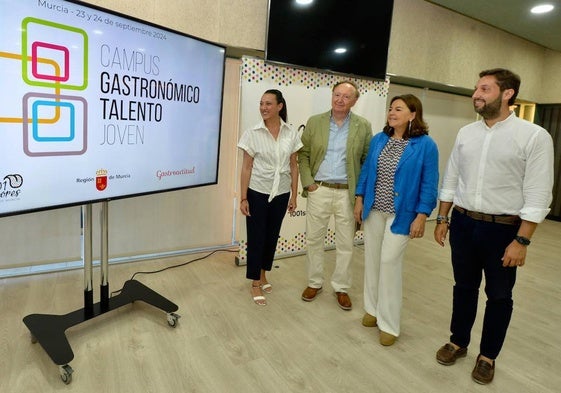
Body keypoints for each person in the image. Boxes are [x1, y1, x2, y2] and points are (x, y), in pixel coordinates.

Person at [433, 68, 554, 384]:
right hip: (462, 222)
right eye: (476, 88)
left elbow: (539, 193)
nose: (477, 94)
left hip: (503, 230)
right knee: (463, 287)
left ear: (508, 93)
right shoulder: (466, 134)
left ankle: (487, 357)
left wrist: (522, 241)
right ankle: (458, 341)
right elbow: (452, 178)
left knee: (499, 296)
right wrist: (443, 218)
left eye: (485, 88)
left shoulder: (534, 136)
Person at [354, 94, 439, 346]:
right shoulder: (379, 139)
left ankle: (389, 324)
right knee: (371, 260)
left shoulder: (425, 145)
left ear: (413, 115)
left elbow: (430, 183)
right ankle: (371, 309)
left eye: (398, 109)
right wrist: (359, 198)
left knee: (389, 263)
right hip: (374, 210)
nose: (392, 112)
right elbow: (368, 172)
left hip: (402, 214)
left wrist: (422, 215)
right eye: (391, 108)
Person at [298, 80, 372, 310]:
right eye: (336, 94)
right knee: (313, 240)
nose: (340, 100)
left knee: (345, 243)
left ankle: (341, 287)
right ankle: (314, 282)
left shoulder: (363, 126)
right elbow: (304, 155)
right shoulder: (315, 122)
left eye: (346, 96)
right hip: (319, 189)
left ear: (355, 101)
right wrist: (309, 183)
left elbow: (366, 162)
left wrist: (359, 194)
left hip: (346, 194)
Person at [238, 89, 302, 306]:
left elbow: (294, 165)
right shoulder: (252, 133)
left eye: (268, 104)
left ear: (279, 106)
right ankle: (255, 282)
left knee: (271, 236)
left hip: (281, 193)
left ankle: (264, 273)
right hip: (257, 192)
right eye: (261, 103)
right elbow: (246, 167)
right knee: (256, 237)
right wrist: (243, 198)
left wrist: (294, 193)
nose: (263, 108)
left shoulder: (290, 133)